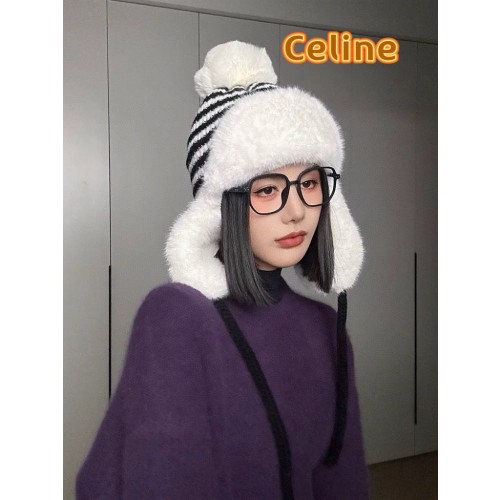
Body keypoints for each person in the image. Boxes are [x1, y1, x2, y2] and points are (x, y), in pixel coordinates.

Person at [76, 40, 369, 499]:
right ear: (219, 207)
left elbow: (343, 484)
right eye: (267, 189)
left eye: (309, 183)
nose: (297, 210)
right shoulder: (177, 318)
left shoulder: (326, 329)